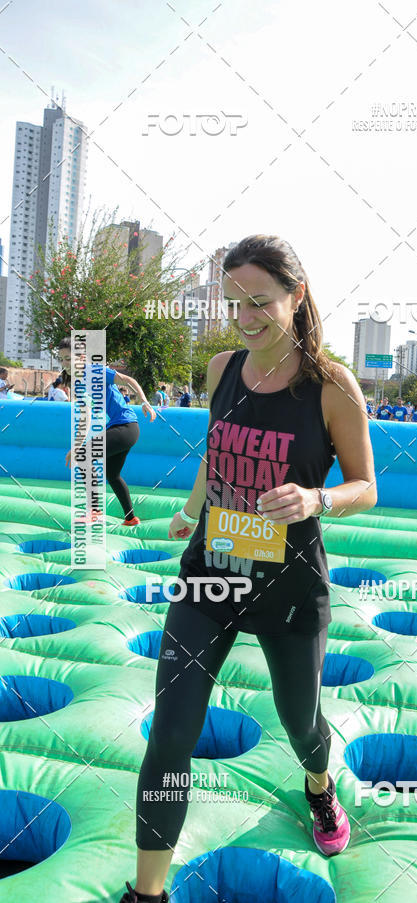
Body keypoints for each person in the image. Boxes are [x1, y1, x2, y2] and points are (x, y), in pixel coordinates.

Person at [120, 235, 377, 903]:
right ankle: (147, 893)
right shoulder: (221, 369)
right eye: (234, 302)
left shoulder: (331, 386)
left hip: (289, 588)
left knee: (301, 724)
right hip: (210, 572)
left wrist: (316, 497)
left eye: (260, 301)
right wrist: (191, 506)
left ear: (296, 296)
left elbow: (365, 485)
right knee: (172, 730)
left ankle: (320, 786)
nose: (246, 316)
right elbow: (218, 448)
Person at [56, 338, 157, 526]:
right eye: (61, 359)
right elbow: (85, 418)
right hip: (121, 429)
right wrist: (77, 446)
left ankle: (94, 511)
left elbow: (129, 380)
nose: (64, 364)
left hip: (125, 427)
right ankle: (130, 518)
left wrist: (144, 402)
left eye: (68, 359)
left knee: (85, 458)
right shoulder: (79, 383)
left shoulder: (94, 371)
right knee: (112, 475)